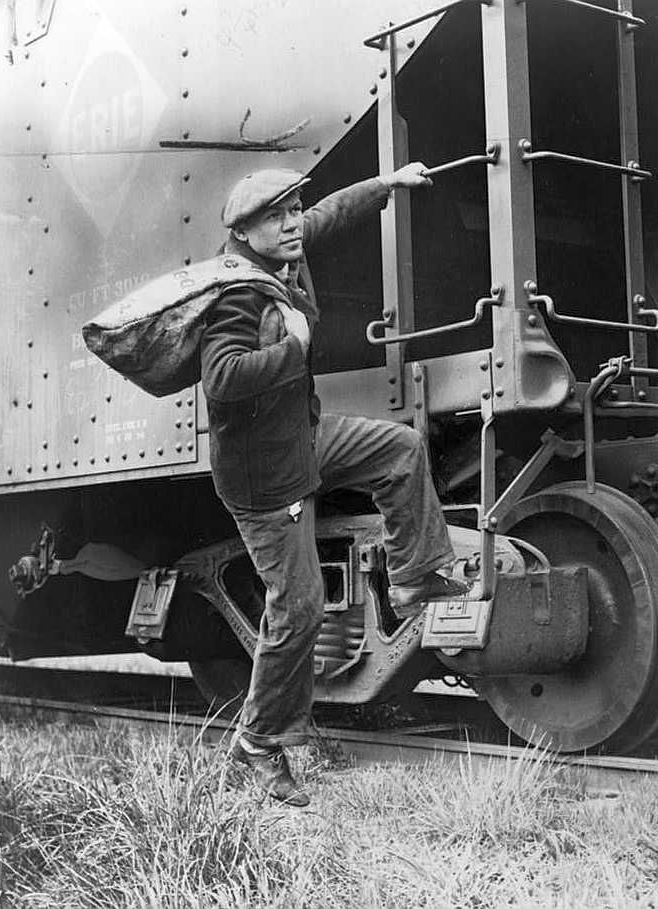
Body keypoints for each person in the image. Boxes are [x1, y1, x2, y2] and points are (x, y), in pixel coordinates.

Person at [201, 164, 470, 807]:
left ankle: (414, 578)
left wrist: (386, 184)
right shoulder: (234, 292)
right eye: (279, 216)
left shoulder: (285, 250)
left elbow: (330, 214)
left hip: (304, 437)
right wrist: (293, 348)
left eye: (294, 210)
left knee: (401, 450)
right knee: (297, 606)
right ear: (243, 232)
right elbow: (222, 378)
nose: (295, 223)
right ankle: (256, 746)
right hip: (264, 476)